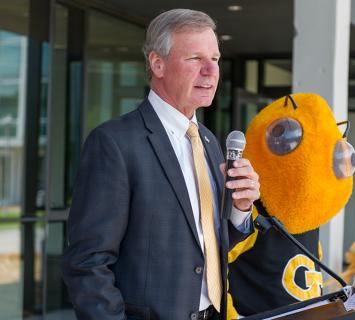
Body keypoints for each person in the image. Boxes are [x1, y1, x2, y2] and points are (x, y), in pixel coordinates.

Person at [61, 9, 260, 320]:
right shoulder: (114, 143)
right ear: (158, 64)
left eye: (216, 59)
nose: (211, 70)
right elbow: (87, 263)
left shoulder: (209, 143)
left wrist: (241, 209)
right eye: (195, 59)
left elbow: (206, 250)